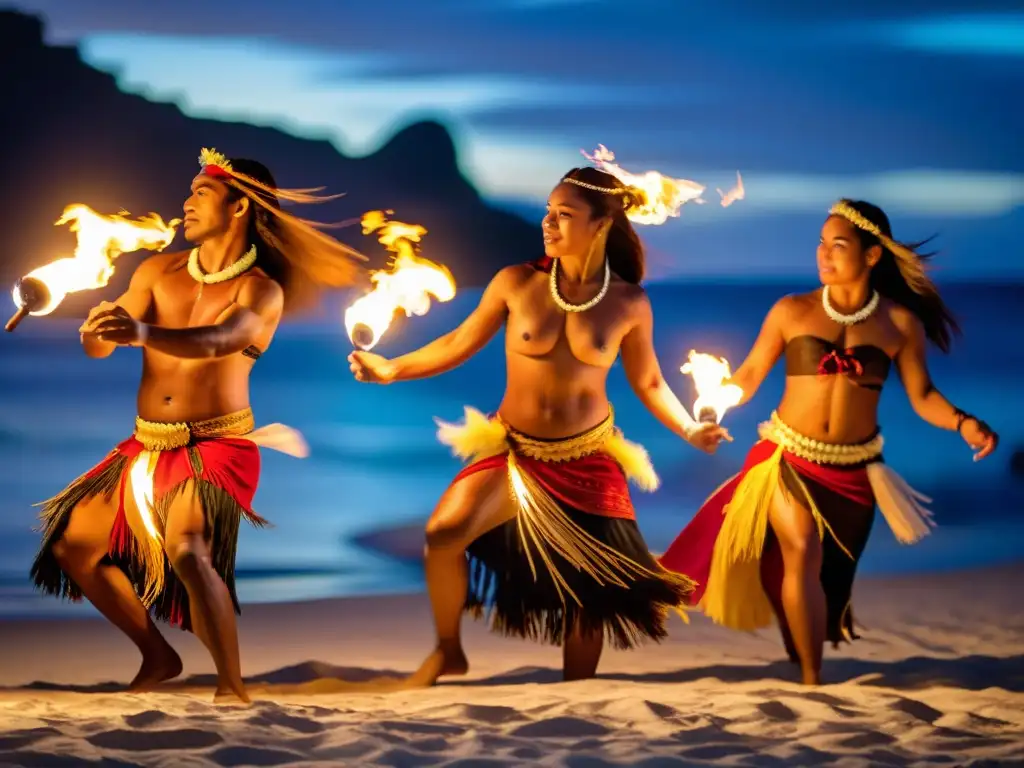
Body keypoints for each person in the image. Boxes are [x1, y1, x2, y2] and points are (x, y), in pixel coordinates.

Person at [348, 165, 729, 687]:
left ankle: (576, 690)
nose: (548, 222)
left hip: (589, 456)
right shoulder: (516, 282)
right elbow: (457, 343)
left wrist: (692, 431)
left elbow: (651, 384)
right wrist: (392, 369)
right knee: (442, 534)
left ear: (600, 225)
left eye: (564, 215)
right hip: (513, 449)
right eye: (548, 211)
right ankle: (448, 649)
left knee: (591, 588)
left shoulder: (628, 302)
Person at [30, 148, 368, 702]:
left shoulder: (259, 290)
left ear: (238, 208)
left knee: (187, 550)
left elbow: (219, 342)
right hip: (145, 445)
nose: (185, 204)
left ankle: (231, 687)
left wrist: (138, 332)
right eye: (188, 192)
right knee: (73, 548)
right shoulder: (156, 271)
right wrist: (96, 327)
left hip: (218, 445)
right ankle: (157, 655)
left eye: (199, 194)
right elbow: (99, 348)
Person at [659, 199, 999, 685]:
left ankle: (802, 658)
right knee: (800, 546)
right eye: (821, 243)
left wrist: (964, 423)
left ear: (872, 256)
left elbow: (923, 396)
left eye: (837, 245)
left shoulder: (899, 324)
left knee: (825, 579)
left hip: (856, 471)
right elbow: (750, 374)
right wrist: (715, 403)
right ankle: (814, 683)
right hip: (785, 457)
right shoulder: (791, 311)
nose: (823, 254)